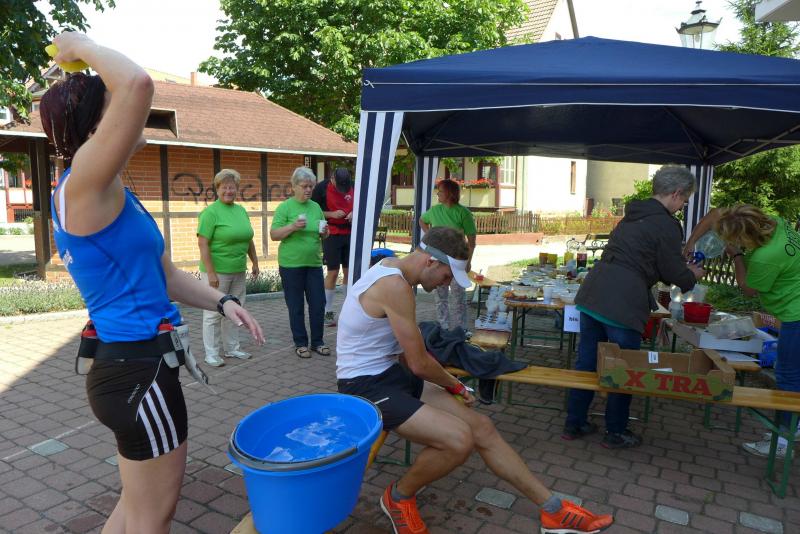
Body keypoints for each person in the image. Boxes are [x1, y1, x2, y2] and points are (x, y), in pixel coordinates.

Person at [40, 32, 264, 532]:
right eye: (113, 107)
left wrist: (223, 302)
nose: (132, 115)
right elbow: (138, 84)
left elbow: (166, 277)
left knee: (132, 509)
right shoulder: (84, 180)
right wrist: (79, 45)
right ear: (96, 127)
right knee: (152, 519)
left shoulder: (104, 190)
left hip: (128, 371)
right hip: (138, 373)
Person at [336, 226, 613, 534]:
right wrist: (454, 385)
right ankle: (398, 497)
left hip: (390, 375)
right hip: (364, 386)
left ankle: (553, 509)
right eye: (447, 276)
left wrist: (443, 384)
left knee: (482, 427)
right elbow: (419, 363)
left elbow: (407, 357)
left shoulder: (393, 270)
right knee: (458, 441)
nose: (447, 283)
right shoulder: (394, 285)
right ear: (430, 261)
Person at [564, 166, 705, 449]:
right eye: (684, 200)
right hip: (623, 301)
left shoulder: (633, 214)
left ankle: (574, 422)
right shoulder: (666, 224)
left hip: (594, 293)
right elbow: (671, 270)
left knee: (586, 363)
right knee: (624, 368)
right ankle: (615, 431)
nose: (683, 206)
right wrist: (691, 274)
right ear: (676, 194)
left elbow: (645, 255)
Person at [686, 204, 800, 457]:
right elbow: (717, 212)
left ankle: (783, 442)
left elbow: (748, 288)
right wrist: (692, 242)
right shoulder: (775, 222)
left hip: (796, 315)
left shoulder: (765, 256)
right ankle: (792, 428)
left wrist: (737, 255)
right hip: (794, 310)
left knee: (788, 377)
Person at [197, 168, 260, 366]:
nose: (228, 191)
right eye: (224, 187)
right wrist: (211, 273)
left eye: (232, 187)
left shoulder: (241, 211)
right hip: (217, 272)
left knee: (236, 310)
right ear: (217, 189)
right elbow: (203, 243)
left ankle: (232, 348)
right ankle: (211, 353)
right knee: (213, 313)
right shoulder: (210, 213)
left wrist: (255, 262)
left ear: (237, 189)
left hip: (238, 270)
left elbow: (248, 239)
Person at [271, 166, 332, 358]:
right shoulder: (285, 207)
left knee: (318, 304)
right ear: (294, 186)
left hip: (313, 264)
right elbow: (274, 234)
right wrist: (292, 227)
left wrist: (325, 232)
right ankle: (300, 343)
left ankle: (318, 342)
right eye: (304, 186)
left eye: (311, 186)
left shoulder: (315, 207)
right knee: (296, 306)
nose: (308, 190)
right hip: (291, 265)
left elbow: (323, 233)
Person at [419, 179, 476, 330]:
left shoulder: (464, 213)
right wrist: (430, 235)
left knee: (459, 299)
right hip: (438, 261)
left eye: (441, 191)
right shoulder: (434, 210)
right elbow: (421, 220)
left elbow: (471, 242)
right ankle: (443, 328)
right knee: (440, 298)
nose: (437, 194)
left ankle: (461, 330)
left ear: (450, 194)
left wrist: (468, 262)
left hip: (457, 262)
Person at [311, 167, 354, 326]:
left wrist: (354, 212)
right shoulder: (321, 188)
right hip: (331, 233)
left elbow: (363, 204)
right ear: (332, 179)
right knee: (333, 272)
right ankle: (327, 312)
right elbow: (314, 211)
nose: (343, 189)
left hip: (350, 232)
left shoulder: (354, 185)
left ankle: (349, 311)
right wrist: (332, 214)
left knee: (349, 272)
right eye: (340, 185)